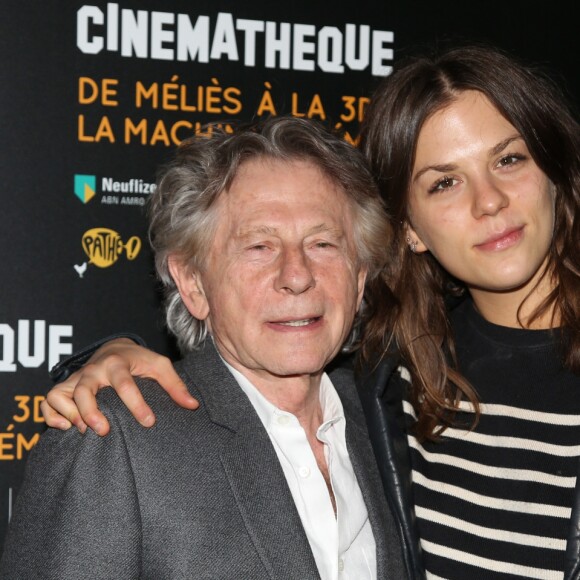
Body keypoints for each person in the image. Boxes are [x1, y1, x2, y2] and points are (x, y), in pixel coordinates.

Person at [39, 45, 580, 579]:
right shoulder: (403, 387)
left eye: (323, 243)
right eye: (259, 246)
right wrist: (103, 362)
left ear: (361, 270)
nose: (489, 202)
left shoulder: (372, 407)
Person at [0, 116, 408, 579]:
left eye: (322, 243)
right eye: (259, 246)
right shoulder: (114, 441)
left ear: (358, 280)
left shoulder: (392, 428)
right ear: (192, 284)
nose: (297, 276)